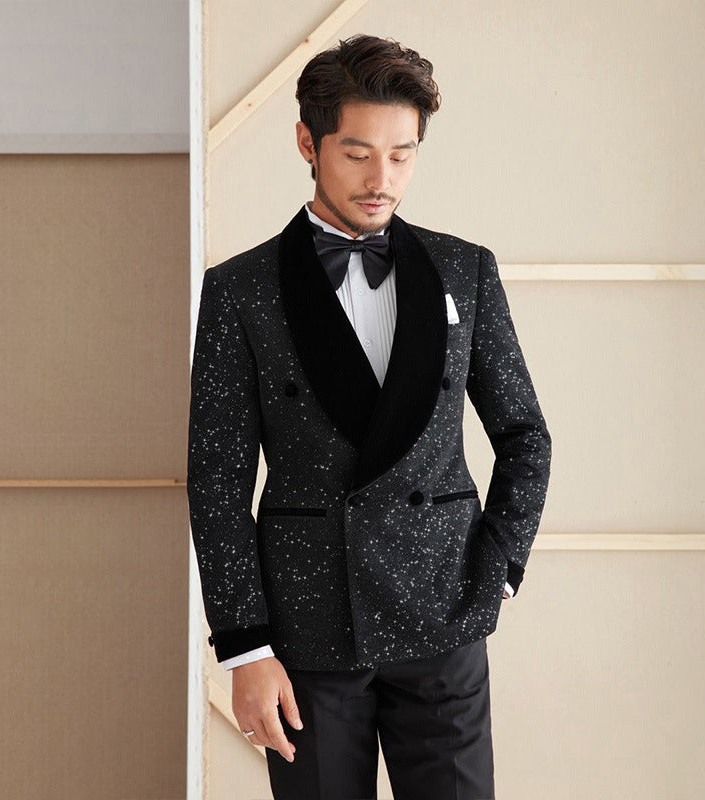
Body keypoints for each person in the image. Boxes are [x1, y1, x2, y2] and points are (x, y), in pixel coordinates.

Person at [187, 33, 551, 800]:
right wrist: (245, 648)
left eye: (402, 155)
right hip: (307, 635)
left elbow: (525, 435)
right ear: (307, 143)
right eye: (357, 154)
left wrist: (499, 572)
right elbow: (217, 481)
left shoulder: (465, 270)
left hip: (444, 618)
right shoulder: (241, 290)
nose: (382, 180)